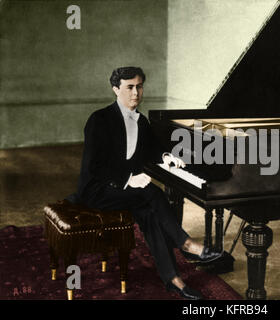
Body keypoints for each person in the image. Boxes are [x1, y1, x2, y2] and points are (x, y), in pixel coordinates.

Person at [69, 66, 221, 300]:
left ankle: (174, 280)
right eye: (129, 87)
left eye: (139, 86)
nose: (135, 92)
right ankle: (187, 244)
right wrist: (129, 179)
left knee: (151, 213)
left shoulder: (141, 122)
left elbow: (154, 148)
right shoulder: (99, 119)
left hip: (126, 192)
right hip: (96, 191)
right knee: (151, 193)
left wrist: (166, 157)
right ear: (115, 89)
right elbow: (95, 166)